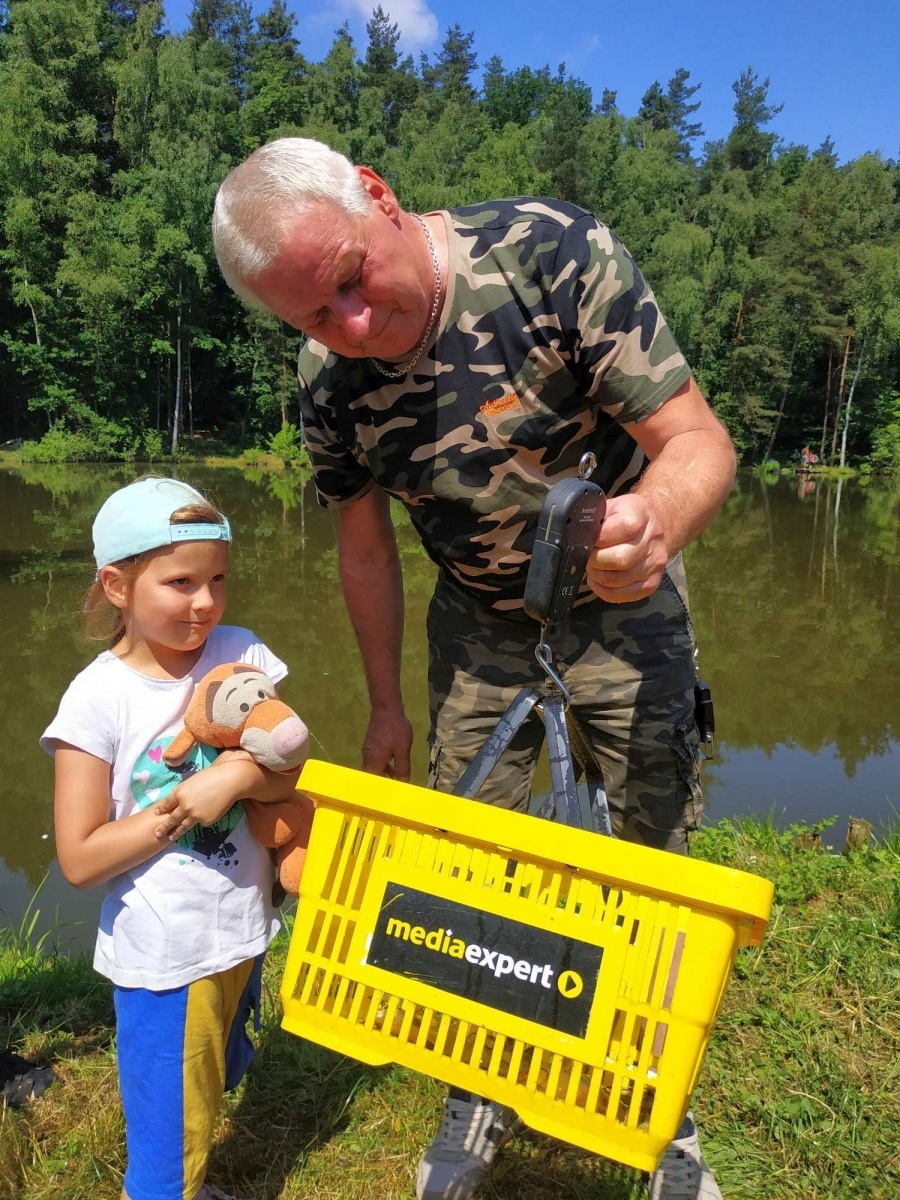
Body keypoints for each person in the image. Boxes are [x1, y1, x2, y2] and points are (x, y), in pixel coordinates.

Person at [212, 138, 737, 1200]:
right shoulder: (328, 381)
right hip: (478, 628)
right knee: (464, 866)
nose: (354, 327)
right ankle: (479, 1084)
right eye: (315, 316)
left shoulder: (551, 254)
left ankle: (657, 1108)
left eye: (353, 280)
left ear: (377, 195)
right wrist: (385, 708)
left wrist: (655, 523)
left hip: (626, 608)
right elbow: (365, 550)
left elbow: (698, 441)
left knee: (651, 862)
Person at [41, 477, 303, 1200]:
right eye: (181, 582)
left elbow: (287, 772)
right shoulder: (98, 699)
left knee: (215, 1077)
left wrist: (240, 774)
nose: (206, 602)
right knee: (168, 1139)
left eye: (218, 579)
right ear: (117, 585)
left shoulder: (241, 653)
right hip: (166, 957)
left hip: (243, 929)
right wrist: (185, 805)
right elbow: (80, 858)